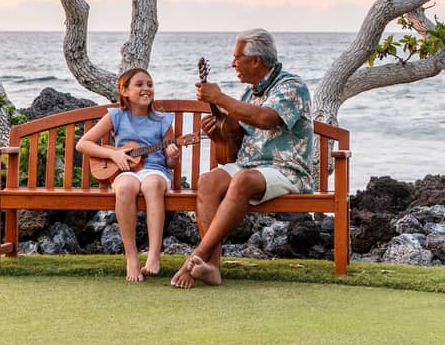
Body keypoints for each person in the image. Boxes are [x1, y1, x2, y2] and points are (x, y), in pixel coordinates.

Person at [171, 28, 314, 288]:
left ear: (256, 60)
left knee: (242, 180)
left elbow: (265, 119)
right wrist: (221, 132)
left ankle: (196, 256)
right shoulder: (250, 94)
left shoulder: (292, 86)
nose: (233, 63)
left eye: (237, 58)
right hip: (250, 167)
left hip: (287, 171)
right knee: (207, 181)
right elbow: (234, 151)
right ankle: (212, 267)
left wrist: (220, 97)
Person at [76, 68, 181, 281]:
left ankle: (153, 255)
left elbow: (171, 162)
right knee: (124, 188)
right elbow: (83, 143)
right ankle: (131, 257)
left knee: (152, 186)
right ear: (124, 91)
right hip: (126, 170)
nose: (146, 89)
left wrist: (174, 155)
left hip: (155, 170)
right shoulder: (116, 116)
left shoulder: (162, 120)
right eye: (140, 85)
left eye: (149, 85)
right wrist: (113, 155)